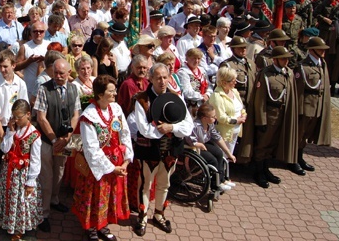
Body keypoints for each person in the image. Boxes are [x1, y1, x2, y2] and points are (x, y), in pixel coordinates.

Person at [133, 63, 192, 236]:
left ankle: (159, 213)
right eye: (158, 77)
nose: (162, 81)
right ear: (150, 79)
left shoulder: (177, 98)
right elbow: (143, 128)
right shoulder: (142, 100)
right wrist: (161, 130)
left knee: (164, 184)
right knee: (145, 184)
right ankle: (142, 217)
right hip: (149, 151)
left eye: (165, 77)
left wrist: (171, 128)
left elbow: (187, 126)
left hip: (171, 151)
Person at [72, 75, 132, 241]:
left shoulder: (116, 109)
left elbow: (124, 133)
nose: (114, 94)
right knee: (95, 196)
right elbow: (91, 149)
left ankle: (103, 225)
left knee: (109, 196)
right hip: (97, 165)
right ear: (99, 95)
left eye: (114, 90)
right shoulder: (89, 117)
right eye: (111, 91)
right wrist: (111, 168)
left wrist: (126, 159)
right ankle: (91, 227)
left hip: (117, 163)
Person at [34, 58, 81, 233]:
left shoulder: (74, 88)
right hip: (48, 141)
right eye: (56, 72)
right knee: (46, 177)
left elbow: (76, 114)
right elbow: (41, 118)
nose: (58, 76)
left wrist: (67, 137)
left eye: (62, 73)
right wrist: (55, 140)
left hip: (64, 141)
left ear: (69, 73)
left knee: (59, 173)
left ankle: (54, 200)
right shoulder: (44, 89)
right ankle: (43, 214)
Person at [0, 99, 42, 241]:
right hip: (8, 171)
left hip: (22, 174)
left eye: (19, 117)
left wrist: (31, 181)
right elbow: (4, 148)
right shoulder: (13, 129)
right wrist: (10, 132)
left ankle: (19, 228)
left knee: (21, 201)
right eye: (14, 117)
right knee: (4, 196)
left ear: (28, 114)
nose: (16, 120)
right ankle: (1, 220)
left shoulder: (34, 135)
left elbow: (35, 160)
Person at [251, 46, 301, 188]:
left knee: (272, 144)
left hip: (282, 115)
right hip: (270, 114)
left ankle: (266, 169)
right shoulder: (266, 74)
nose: (286, 61)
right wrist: (261, 120)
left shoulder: (289, 73)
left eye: (287, 58)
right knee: (262, 145)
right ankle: (259, 171)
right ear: (275, 59)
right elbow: (260, 99)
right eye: (283, 58)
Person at [0, 49, 29, 210]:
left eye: (5, 66)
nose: (3, 70)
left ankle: (10, 192)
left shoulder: (21, 84)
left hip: (17, 126)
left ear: (13, 65)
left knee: (15, 160)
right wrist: (4, 136)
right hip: (0, 128)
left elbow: (24, 107)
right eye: (0, 66)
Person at [294, 37, 332, 171]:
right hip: (306, 106)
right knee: (299, 134)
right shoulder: (302, 66)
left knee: (305, 135)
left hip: (317, 106)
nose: (323, 52)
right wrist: (298, 110)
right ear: (312, 50)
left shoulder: (322, 64)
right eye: (320, 49)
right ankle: (293, 160)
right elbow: (298, 91)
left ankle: (300, 157)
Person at [185, 103, 237, 191]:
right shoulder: (195, 126)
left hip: (203, 144)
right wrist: (199, 144)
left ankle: (222, 180)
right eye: (213, 116)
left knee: (219, 153)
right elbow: (190, 140)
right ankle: (215, 184)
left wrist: (229, 154)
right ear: (204, 118)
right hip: (193, 148)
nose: (215, 118)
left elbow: (218, 138)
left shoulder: (210, 124)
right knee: (212, 160)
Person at [209, 66, 246, 162]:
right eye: (232, 80)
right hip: (224, 133)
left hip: (235, 131)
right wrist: (237, 120)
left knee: (229, 156)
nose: (236, 82)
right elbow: (221, 117)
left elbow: (241, 107)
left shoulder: (234, 92)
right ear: (224, 82)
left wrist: (244, 114)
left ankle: (226, 174)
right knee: (222, 157)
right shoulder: (217, 96)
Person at [16, 20, 49, 102]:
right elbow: (15, 66)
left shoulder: (49, 45)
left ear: (44, 32)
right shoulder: (25, 47)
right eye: (35, 31)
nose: (38, 33)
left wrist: (46, 59)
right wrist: (29, 61)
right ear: (31, 33)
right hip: (30, 86)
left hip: (47, 85)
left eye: (41, 31)